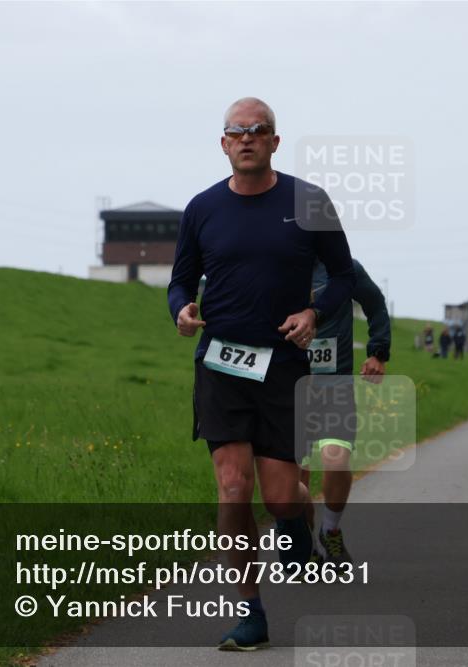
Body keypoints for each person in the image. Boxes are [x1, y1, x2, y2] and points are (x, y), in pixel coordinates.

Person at [167, 97, 355, 651]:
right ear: (223, 144)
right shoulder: (202, 208)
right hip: (221, 362)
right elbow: (180, 280)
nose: (247, 138)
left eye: (259, 130)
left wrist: (313, 313)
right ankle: (250, 611)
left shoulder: (309, 202)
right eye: (236, 131)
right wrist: (179, 309)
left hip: (283, 366)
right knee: (232, 487)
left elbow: (343, 278)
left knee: (279, 495)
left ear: (275, 142)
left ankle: (296, 526)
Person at [301, 258, 390, 565]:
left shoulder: (345, 268)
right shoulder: (275, 263)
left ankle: (330, 530)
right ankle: (305, 542)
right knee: (294, 477)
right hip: (287, 385)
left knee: (336, 459)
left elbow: (376, 304)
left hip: (334, 382)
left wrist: (378, 352)